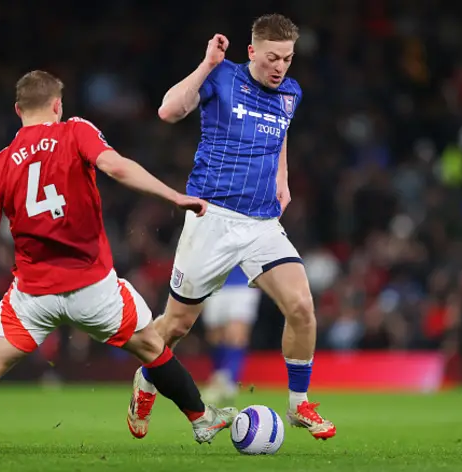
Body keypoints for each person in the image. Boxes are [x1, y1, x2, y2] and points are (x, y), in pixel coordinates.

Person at [0, 70, 237, 458]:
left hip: (32, 296)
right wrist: (173, 195)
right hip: (94, 292)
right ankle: (201, 420)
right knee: (153, 348)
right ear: (57, 105)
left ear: (18, 110)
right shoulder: (75, 130)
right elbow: (116, 167)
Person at [127, 14, 336, 441]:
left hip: (261, 222)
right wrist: (206, 64)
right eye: (273, 57)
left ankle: (299, 404)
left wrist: (283, 176)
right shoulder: (221, 76)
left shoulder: (291, 93)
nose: (281, 67)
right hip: (212, 217)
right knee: (177, 326)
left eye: (288, 59)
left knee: (301, 305)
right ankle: (145, 381)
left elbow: (279, 136)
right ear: (252, 52)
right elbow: (168, 110)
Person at [201, 266, 260, 405]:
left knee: (236, 334)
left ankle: (229, 380)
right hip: (214, 284)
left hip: (243, 284)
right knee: (215, 336)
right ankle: (219, 376)